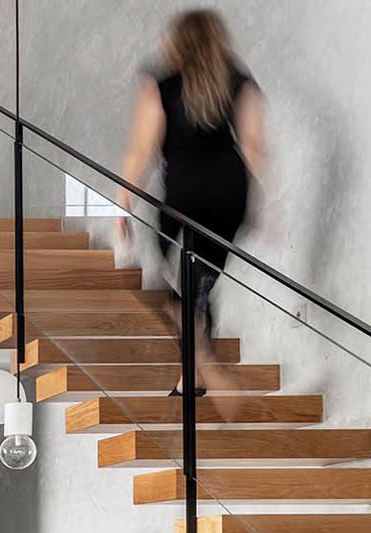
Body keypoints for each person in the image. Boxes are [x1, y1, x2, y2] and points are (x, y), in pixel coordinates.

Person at [116, 9, 267, 397]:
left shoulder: (162, 83)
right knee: (199, 279)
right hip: (229, 192)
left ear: (176, 41)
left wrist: (123, 200)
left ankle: (196, 368)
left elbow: (142, 148)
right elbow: (253, 147)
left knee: (166, 276)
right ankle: (199, 361)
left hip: (184, 194)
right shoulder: (239, 81)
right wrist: (263, 204)